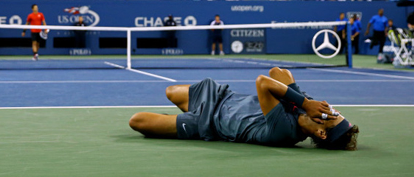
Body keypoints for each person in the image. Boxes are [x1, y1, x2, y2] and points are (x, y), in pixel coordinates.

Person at [129, 67, 358, 151]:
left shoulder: (285, 132)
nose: (332, 110)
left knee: (137, 121)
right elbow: (278, 72)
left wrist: (306, 103)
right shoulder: (301, 107)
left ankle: (181, 123)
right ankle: (180, 119)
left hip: (208, 123)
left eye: (333, 117)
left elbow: (263, 82)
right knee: (170, 91)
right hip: (221, 97)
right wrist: (305, 101)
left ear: (321, 132)